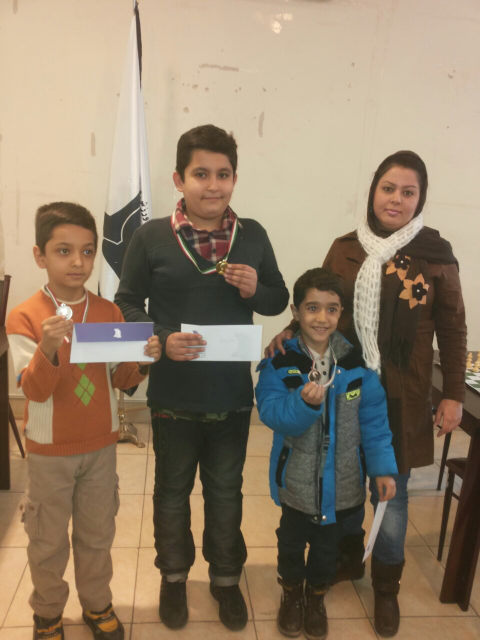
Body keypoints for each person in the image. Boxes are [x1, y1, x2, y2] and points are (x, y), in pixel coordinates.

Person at [266, 151, 467, 637]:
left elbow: (453, 329)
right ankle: (344, 558)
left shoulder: (436, 256)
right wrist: (287, 333)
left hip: (403, 394)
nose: (396, 199)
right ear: (373, 190)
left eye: (408, 192)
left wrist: (453, 394)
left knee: (391, 491)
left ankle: (386, 586)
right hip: (344, 386)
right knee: (343, 479)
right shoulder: (345, 248)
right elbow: (318, 300)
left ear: (421, 198)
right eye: (388, 188)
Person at [114, 124, 289, 631]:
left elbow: (278, 298)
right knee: (171, 494)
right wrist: (162, 337)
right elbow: (127, 302)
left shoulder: (252, 235)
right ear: (179, 179)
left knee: (226, 494)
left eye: (224, 174)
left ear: (235, 178)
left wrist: (256, 290)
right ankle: (173, 577)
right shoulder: (151, 237)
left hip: (231, 397)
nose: (213, 185)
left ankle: (226, 579)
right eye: (201, 174)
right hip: (173, 395)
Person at [6, 202, 161, 640]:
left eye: (88, 251)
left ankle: (97, 604)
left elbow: (121, 379)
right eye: (64, 251)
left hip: (100, 447)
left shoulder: (109, 312)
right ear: (40, 256)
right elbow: (33, 390)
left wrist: (142, 361)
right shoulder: (25, 316)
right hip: (49, 454)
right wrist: (47, 348)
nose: (78, 262)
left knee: (97, 534)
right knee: (47, 539)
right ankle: (47, 612)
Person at [256, 267, 397, 639]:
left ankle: (316, 597)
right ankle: (291, 594)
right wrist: (304, 404)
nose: (322, 318)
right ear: (296, 311)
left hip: (342, 485)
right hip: (296, 485)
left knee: (325, 551)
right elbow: (272, 414)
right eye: (312, 308)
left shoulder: (356, 366)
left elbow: (375, 424)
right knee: (290, 545)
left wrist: (383, 469)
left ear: (341, 313)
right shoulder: (279, 362)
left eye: (331, 309)